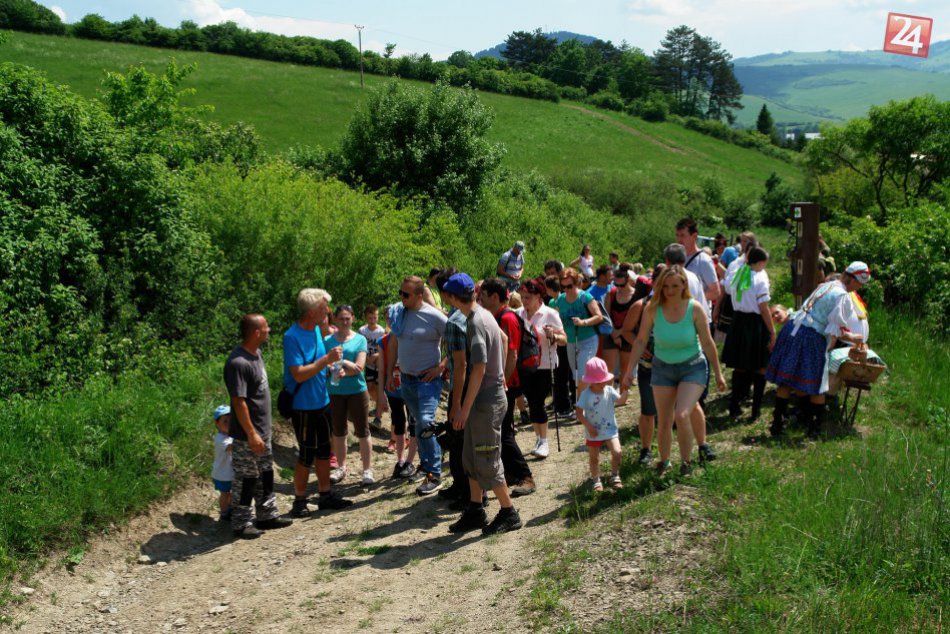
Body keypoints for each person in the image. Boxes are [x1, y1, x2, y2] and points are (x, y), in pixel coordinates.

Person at [622, 267, 727, 476]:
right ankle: (665, 461)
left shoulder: (694, 308)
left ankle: (686, 462)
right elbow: (641, 339)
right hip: (662, 367)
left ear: (684, 286)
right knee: (665, 419)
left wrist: (718, 373)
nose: (670, 290)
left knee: (682, 413)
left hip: (692, 366)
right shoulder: (652, 308)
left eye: (675, 286)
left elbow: (707, 342)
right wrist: (628, 371)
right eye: (666, 286)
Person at [443, 273, 524, 535]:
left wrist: (463, 409)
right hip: (487, 395)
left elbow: (478, 367)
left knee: (487, 456)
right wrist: (500, 375)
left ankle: (509, 512)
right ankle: (476, 510)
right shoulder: (484, 313)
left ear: (453, 297)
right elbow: (502, 339)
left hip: (485, 401)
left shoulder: (476, 321)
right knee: (471, 456)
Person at [766, 262, 870, 438]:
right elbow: (835, 329)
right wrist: (852, 338)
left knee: (786, 380)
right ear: (851, 279)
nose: (859, 287)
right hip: (810, 336)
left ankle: (777, 425)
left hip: (792, 328)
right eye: (859, 283)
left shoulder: (826, 285)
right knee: (818, 384)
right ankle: (814, 429)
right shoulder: (842, 296)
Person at [283, 289, 352, 517]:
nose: (328, 311)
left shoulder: (314, 331)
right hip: (303, 406)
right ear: (312, 311)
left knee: (324, 451)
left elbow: (320, 366)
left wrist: (333, 370)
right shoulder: (292, 337)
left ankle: (325, 495)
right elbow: (299, 374)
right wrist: (327, 360)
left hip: (322, 401)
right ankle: (299, 500)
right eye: (323, 308)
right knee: (306, 455)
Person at [224, 314, 293, 539]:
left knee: (266, 474)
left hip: (264, 431)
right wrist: (251, 433)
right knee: (246, 479)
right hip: (247, 436)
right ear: (256, 333)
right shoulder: (238, 363)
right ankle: (241, 522)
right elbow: (238, 401)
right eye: (265, 327)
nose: (269, 330)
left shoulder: (257, 354)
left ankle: (267, 515)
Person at [387, 276, 449, 495]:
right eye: (400, 293)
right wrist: (388, 375)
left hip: (428, 380)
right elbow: (394, 343)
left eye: (406, 294)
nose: (401, 298)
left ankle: (434, 474)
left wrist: (441, 366)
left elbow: (457, 340)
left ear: (419, 295)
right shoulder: (399, 315)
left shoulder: (434, 317)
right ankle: (428, 463)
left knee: (424, 422)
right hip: (406, 379)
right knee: (418, 426)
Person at [479, 278, 537, 497]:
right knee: (503, 432)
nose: (480, 300)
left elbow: (511, 354)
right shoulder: (497, 317)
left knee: (504, 434)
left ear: (495, 297)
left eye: (483, 296)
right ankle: (512, 473)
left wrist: (502, 382)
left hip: (506, 385)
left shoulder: (507, 318)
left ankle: (526, 476)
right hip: (503, 383)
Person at [663, 244, 717, 463]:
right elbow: (702, 306)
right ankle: (702, 445)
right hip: (693, 340)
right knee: (692, 403)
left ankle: (686, 453)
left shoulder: (669, 279)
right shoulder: (694, 277)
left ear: (667, 261)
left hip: (679, 343)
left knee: (681, 405)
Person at [722, 247, 776, 421]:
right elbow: (763, 307)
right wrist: (772, 329)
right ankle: (755, 409)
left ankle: (734, 406)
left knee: (740, 365)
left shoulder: (738, 274)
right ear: (760, 262)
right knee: (760, 366)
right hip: (755, 323)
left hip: (738, 321)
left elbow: (729, 290)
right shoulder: (760, 278)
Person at [516, 278, 566, 459]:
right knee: (533, 402)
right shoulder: (518, 313)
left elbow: (564, 339)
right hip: (524, 365)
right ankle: (539, 439)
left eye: (527, 297)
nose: (524, 301)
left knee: (537, 403)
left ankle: (544, 441)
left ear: (538, 296)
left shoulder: (550, 313)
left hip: (545, 364)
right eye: (522, 297)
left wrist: (552, 335)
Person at [434, 268, 472, 507]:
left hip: (463, 385)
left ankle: (465, 491)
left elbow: (461, 365)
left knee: (458, 438)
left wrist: (456, 403)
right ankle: (462, 487)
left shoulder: (454, 322)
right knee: (464, 440)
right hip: (477, 384)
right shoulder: (477, 315)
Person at [325, 305, 373, 485]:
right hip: (335, 391)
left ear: (352, 318)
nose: (345, 322)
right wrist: (339, 365)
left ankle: (367, 470)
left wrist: (341, 363)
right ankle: (341, 467)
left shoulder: (360, 339)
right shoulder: (327, 340)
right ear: (336, 320)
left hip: (357, 391)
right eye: (341, 319)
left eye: (348, 318)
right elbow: (325, 364)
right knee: (338, 431)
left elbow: (359, 367)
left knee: (363, 430)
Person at [623, 263, 664, 466]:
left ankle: (668, 454)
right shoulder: (640, 306)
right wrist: (642, 346)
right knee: (648, 410)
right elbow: (627, 331)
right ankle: (646, 449)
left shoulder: (680, 304)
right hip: (648, 366)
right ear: (653, 282)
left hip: (674, 365)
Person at [554, 268, 604, 403]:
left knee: (582, 374)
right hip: (570, 341)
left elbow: (599, 317)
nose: (566, 289)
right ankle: (593, 398)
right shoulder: (560, 300)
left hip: (588, 339)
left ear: (576, 283)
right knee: (576, 375)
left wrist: (583, 322)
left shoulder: (585, 297)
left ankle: (582, 406)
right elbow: (556, 319)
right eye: (563, 286)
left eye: (569, 286)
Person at [376, 329, 418, 479]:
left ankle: (410, 460)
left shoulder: (410, 336)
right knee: (398, 422)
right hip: (393, 390)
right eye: (389, 319)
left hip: (411, 389)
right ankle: (400, 460)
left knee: (414, 424)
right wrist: (380, 394)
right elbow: (381, 370)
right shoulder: (383, 341)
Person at [576, 357, 623, 491]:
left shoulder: (609, 390)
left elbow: (620, 401)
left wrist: (625, 391)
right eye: (598, 382)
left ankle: (615, 475)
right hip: (593, 432)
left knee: (617, 451)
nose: (602, 384)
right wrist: (588, 426)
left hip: (610, 430)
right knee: (594, 457)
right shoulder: (586, 394)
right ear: (590, 382)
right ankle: (596, 479)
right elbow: (579, 412)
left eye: (603, 380)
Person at [604, 267, 636, 406]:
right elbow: (606, 316)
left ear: (628, 281)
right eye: (615, 284)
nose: (619, 288)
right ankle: (607, 397)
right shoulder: (611, 294)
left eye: (621, 285)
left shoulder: (635, 296)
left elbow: (635, 319)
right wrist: (613, 334)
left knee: (625, 369)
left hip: (628, 334)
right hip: (611, 332)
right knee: (608, 370)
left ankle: (623, 396)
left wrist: (620, 333)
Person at [545, 275, 576, 418]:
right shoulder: (552, 302)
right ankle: (561, 404)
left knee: (568, 374)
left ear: (550, 288)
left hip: (567, 339)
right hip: (558, 341)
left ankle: (569, 404)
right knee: (560, 374)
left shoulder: (562, 300)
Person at [359, 304, 387, 427]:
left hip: (380, 364)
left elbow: (385, 348)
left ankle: (378, 417)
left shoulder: (381, 331)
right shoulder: (362, 331)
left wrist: (376, 356)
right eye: (370, 318)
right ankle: (381, 404)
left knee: (378, 387)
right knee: (370, 388)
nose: (372, 320)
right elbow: (359, 345)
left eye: (375, 317)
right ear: (366, 318)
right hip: (368, 363)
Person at [211, 405, 233, 522]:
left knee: (232, 493)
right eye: (225, 421)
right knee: (225, 494)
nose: (229, 424)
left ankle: (230, 508)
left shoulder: (230, 436)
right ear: (217, 423)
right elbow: (230, 447)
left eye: (231, 421)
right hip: (222, 474)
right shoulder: (220, 438)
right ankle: (224, 513)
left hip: (230, 473)